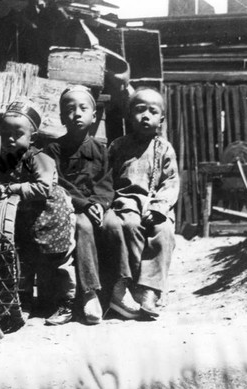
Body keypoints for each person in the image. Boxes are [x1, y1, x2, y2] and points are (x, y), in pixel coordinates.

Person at [0, 97, 76, 325]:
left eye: (17, 133)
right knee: (24, 261)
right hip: (28, 219)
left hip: (52, 216)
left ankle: (66, 304)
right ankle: (24, 301)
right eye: (6, 132)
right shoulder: (7, 159)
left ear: (32, 138)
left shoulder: (38, 158)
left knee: (58, 261)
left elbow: (43, 187)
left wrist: (12, 188)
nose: (10, 138)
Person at [103, 86, 180, 319]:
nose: (146, 116)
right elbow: (107, 178)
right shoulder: (118, 146)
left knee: (164, 231)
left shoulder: (164, 148)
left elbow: (171, 182)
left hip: (156, 203)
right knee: (131, 227)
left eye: (152, 111)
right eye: (139, 110)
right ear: (128, 116)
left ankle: (151, 290)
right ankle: (132, 284)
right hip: (125, 202)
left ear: (161, 119)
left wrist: (159, 207)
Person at [45, 85, 114, 325]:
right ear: (62, 117)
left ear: (93, 116)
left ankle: (120, 289)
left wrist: (99, 204)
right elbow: (58, 182)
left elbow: (106, 182)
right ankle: (89, 293)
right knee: (83, 226)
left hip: (93, 207)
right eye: (70, 109)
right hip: (66, 206)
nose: (77, 113)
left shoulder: (99, 149)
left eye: (83, 108)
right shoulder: (54, 149)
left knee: (115, 226)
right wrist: (85, 205)